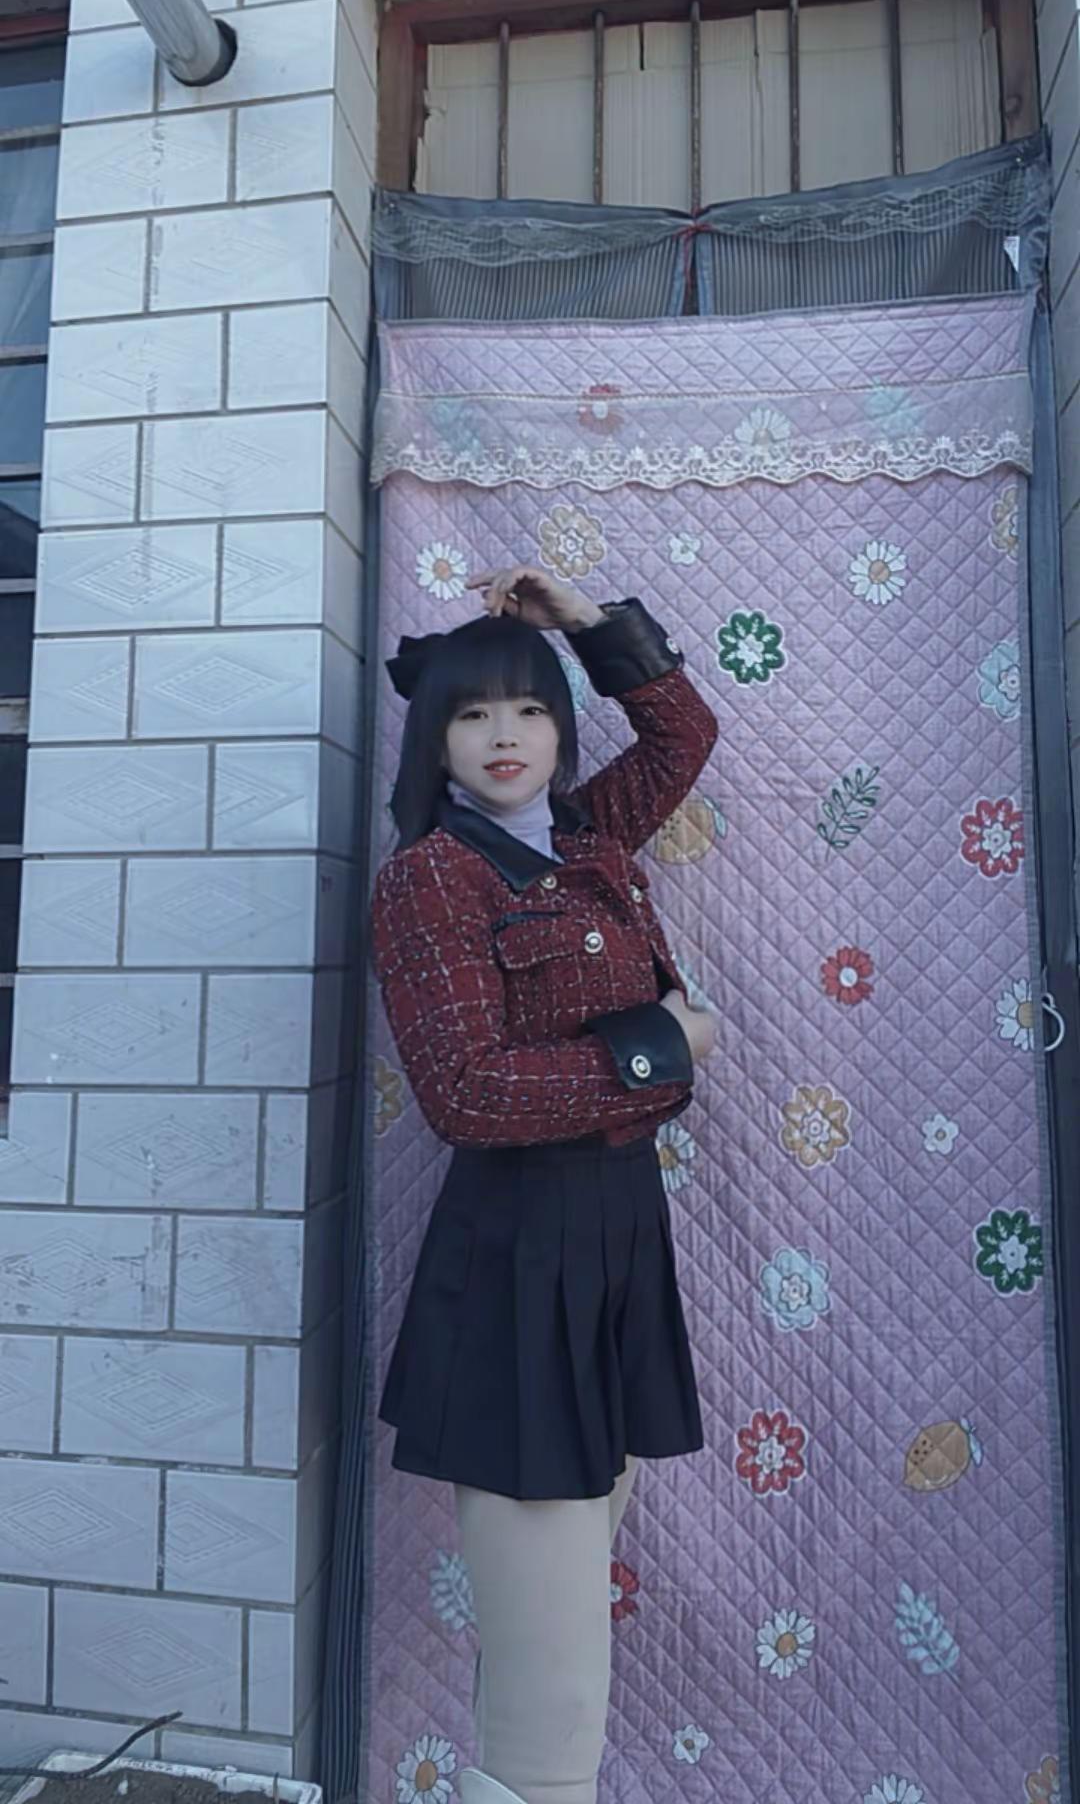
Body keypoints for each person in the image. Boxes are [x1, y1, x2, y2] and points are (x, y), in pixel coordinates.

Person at [371, 564, 719, 1804]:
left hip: (618, 1232)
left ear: (561, 730)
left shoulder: (590, 840)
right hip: (520, 1248)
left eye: (528, 709)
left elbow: (682, 733)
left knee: (558, 1628)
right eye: (472, 714)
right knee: (557, 1667)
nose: (504, 734)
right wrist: (658, 1048)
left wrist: (584, 624)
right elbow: (466, 1094)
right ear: (437, 740)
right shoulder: (432, 878)